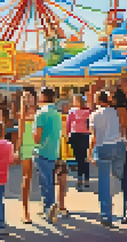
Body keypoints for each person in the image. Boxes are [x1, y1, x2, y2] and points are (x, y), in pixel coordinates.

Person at [89, 90, 125, 227]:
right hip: (118, 145)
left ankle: (106, 214)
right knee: (118, 177)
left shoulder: (94, 115)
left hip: (102, 146)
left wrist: (90, 153)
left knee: (104, 181)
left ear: (98, 100)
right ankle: (124, 208)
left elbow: (94, 137)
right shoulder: (116, 112)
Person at [34, 87, 62, 224]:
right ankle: (50, 207)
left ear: (43, 96)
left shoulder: (41, 113)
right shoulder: (56, 113)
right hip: (53, 151)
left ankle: (49, 208)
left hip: (42, 151)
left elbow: (37, 138)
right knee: (50, 181)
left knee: (46, 183)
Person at [17, 87, 37, 224]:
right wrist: (18, 150)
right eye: (24, 97)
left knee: (46, 177)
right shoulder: (22, 114)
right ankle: (25, 211)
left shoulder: (41, 112)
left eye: (29, 96)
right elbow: (20, 133)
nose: (27, 99)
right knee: (26, 178)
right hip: (26, 147)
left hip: (40, 146)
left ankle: (49, 206)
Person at [67, 94, 92, 190]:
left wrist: (68, 135)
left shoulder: (72, 112)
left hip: (77, 135)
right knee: (84, 158)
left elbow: (69, 125)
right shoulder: (88, 111)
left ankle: (80, 178)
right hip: (84, 135)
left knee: (80, 158)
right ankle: (85, 178)